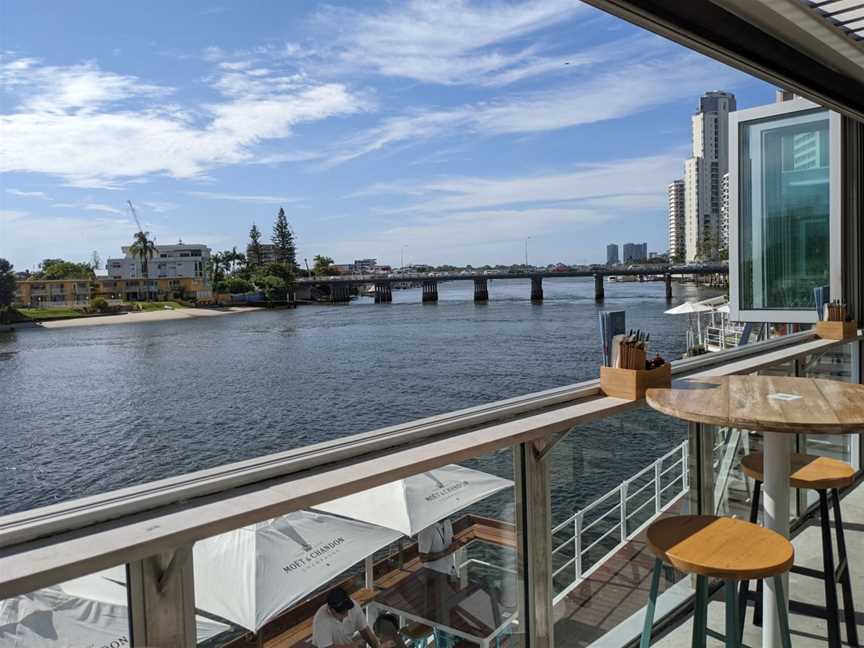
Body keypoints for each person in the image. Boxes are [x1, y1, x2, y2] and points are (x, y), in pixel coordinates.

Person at [312, 587, 381, 648]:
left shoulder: (354, 607)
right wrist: (351, 647)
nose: (347, 614)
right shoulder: (321, 621)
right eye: (342, 612)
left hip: (346, 643)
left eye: (347, 610)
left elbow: (365, 631)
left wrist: (378, 646)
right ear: (332, 609)